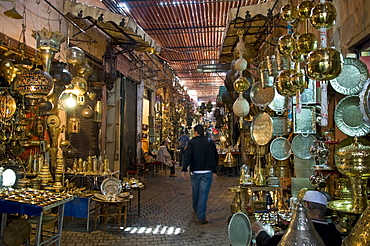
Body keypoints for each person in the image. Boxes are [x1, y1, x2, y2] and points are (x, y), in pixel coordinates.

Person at [252, 190, 342, 246]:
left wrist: (260, 231)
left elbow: (268, 244)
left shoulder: (296, 231)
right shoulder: (334, 233)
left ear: (305, 205)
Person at [181, 124, 219, 224]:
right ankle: (201, 216)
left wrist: (184, 169)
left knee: (195, 191)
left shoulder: (192, 142)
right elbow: (215, 156)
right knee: (203, 194)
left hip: (195, 171)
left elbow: (188, 156)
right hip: (207, 172)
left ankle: (196, 208)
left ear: (195, 132)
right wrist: (214, 170)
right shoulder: (210, 142)